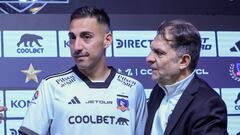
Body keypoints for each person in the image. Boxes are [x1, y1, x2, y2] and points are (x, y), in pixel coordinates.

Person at [18, 6, 147, 135]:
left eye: (86, 36)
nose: (76, 46)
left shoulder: (133, 88)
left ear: (107, 40)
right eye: (72, 38)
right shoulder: (51, 86)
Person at [144, 19, 228, 135]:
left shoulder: (208, 104)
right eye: (151, 50)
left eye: (159, 53)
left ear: (183, 61)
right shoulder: (158, 90)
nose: (149, 58)